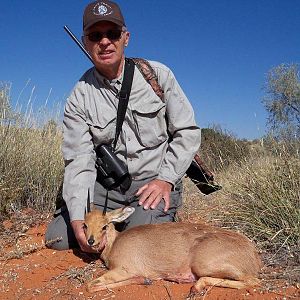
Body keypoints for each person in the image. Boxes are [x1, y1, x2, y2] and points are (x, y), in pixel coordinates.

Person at [45, 0, 201, 252]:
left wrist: (166, 180)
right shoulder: (79, 96)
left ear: (126, 38)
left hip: (152, 184)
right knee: (59, 239)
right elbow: (79, 160)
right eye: (96, 35)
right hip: (106, 188)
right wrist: (77, 221)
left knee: (137, 242)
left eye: (113, 34)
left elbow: (187, 132)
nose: (105, 41)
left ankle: (155, 217)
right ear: (86, 43)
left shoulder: (158, 75)